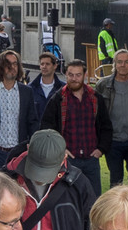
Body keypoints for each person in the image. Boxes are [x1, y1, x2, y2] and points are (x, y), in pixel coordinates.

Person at [40, 59, 112, 198]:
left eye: (78, 75)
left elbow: (106, 126)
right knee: (68, 199)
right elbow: (46, 128)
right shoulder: (58, 99)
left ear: (85, 75)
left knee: (93, 201)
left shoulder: (95, 98)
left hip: (91, 159)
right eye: (71, 75)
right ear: (65, 75)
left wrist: (101, 149)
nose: (74, 78)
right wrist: (61, 149)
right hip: (68, 160)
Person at [95, 49, 128, 189]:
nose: (123, 65)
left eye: (126, 62)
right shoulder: (103, 85)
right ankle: (114, 210)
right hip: (113, 142)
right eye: (119, 62)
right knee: (115, 181)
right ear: (114, 64)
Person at [30, 52, 66, 128]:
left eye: (47, 64)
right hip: (36, 134)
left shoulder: (63, 89)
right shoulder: (30, 88)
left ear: (55, 66)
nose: (44, 67)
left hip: (56, 134)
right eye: (42, 64)